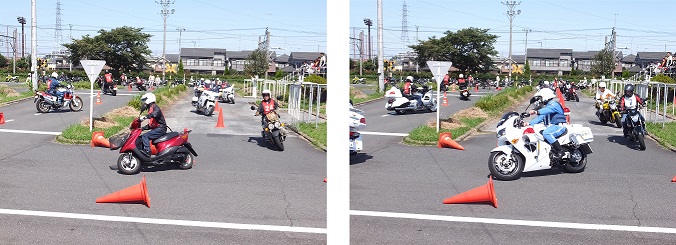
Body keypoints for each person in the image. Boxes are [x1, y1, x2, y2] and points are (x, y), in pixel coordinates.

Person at [524, 89, 567, 159]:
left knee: (546, 133)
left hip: (559, 126)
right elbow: (539, 119)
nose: (540, 100)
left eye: (541, 98)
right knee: (537, 133)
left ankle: (560, 151)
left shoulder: (554, 104)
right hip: (550, 127)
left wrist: (535, 111)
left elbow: (546, 110)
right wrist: (527, 124)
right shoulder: (547, 106)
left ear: (545, 96)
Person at [137, 93, 167, 157]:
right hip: (157, 128)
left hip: (161, 129)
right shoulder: (150, 108)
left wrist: (145, 117)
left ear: (149, 99)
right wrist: (142, 128)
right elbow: (151, 124)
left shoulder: (155, 107)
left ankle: (147, 152)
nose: (144, 102)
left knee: (145, 136)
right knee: (141, 137)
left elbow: (155, 113)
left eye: (145, 100)